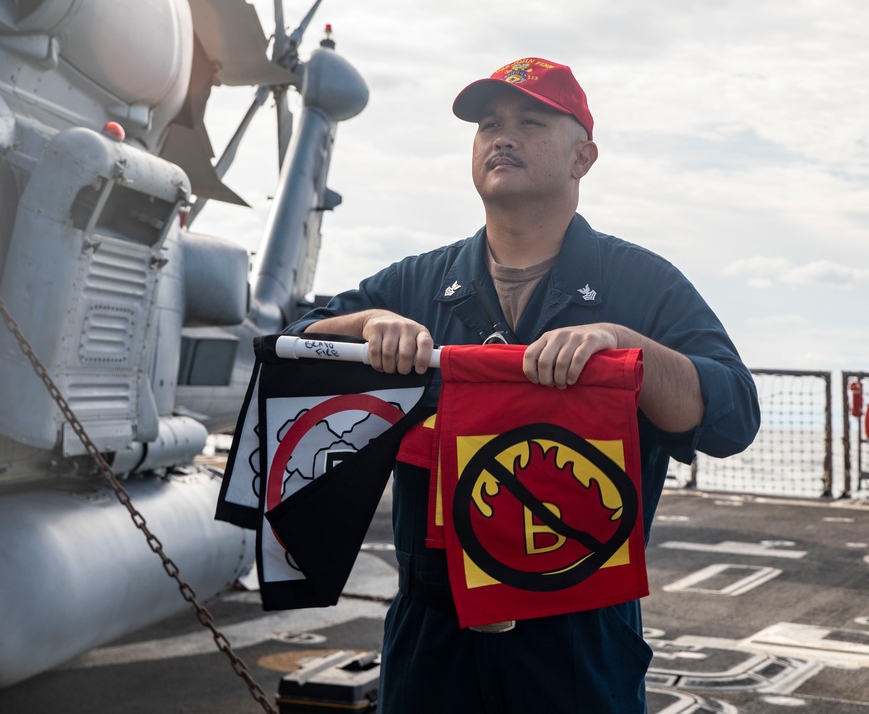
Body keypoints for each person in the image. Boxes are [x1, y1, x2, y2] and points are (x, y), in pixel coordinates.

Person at [287, 57, 760, 713]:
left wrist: (624, 347)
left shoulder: (643, 287)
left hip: (578, 643)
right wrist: (367, 324)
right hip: (433, 642)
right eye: (488, 124)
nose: (501, 136)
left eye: (530, 121)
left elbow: (734, 416)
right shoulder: (415, 286)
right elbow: (292, 345)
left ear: (582, 158)